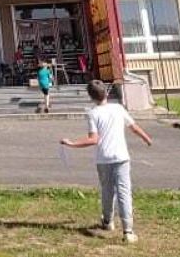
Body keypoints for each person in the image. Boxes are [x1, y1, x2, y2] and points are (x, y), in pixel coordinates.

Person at [61, 79, 153, 243]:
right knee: (124, 192)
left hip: (103, 158)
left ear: (91, 97)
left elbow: (93, 139)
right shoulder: (118, 108)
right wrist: (146, 138)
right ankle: (128, 230)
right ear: (107, 93)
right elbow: (133, 126)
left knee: (107, 190)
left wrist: (72, 143)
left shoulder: (93, 113)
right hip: (121, 157)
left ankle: (108, 221)